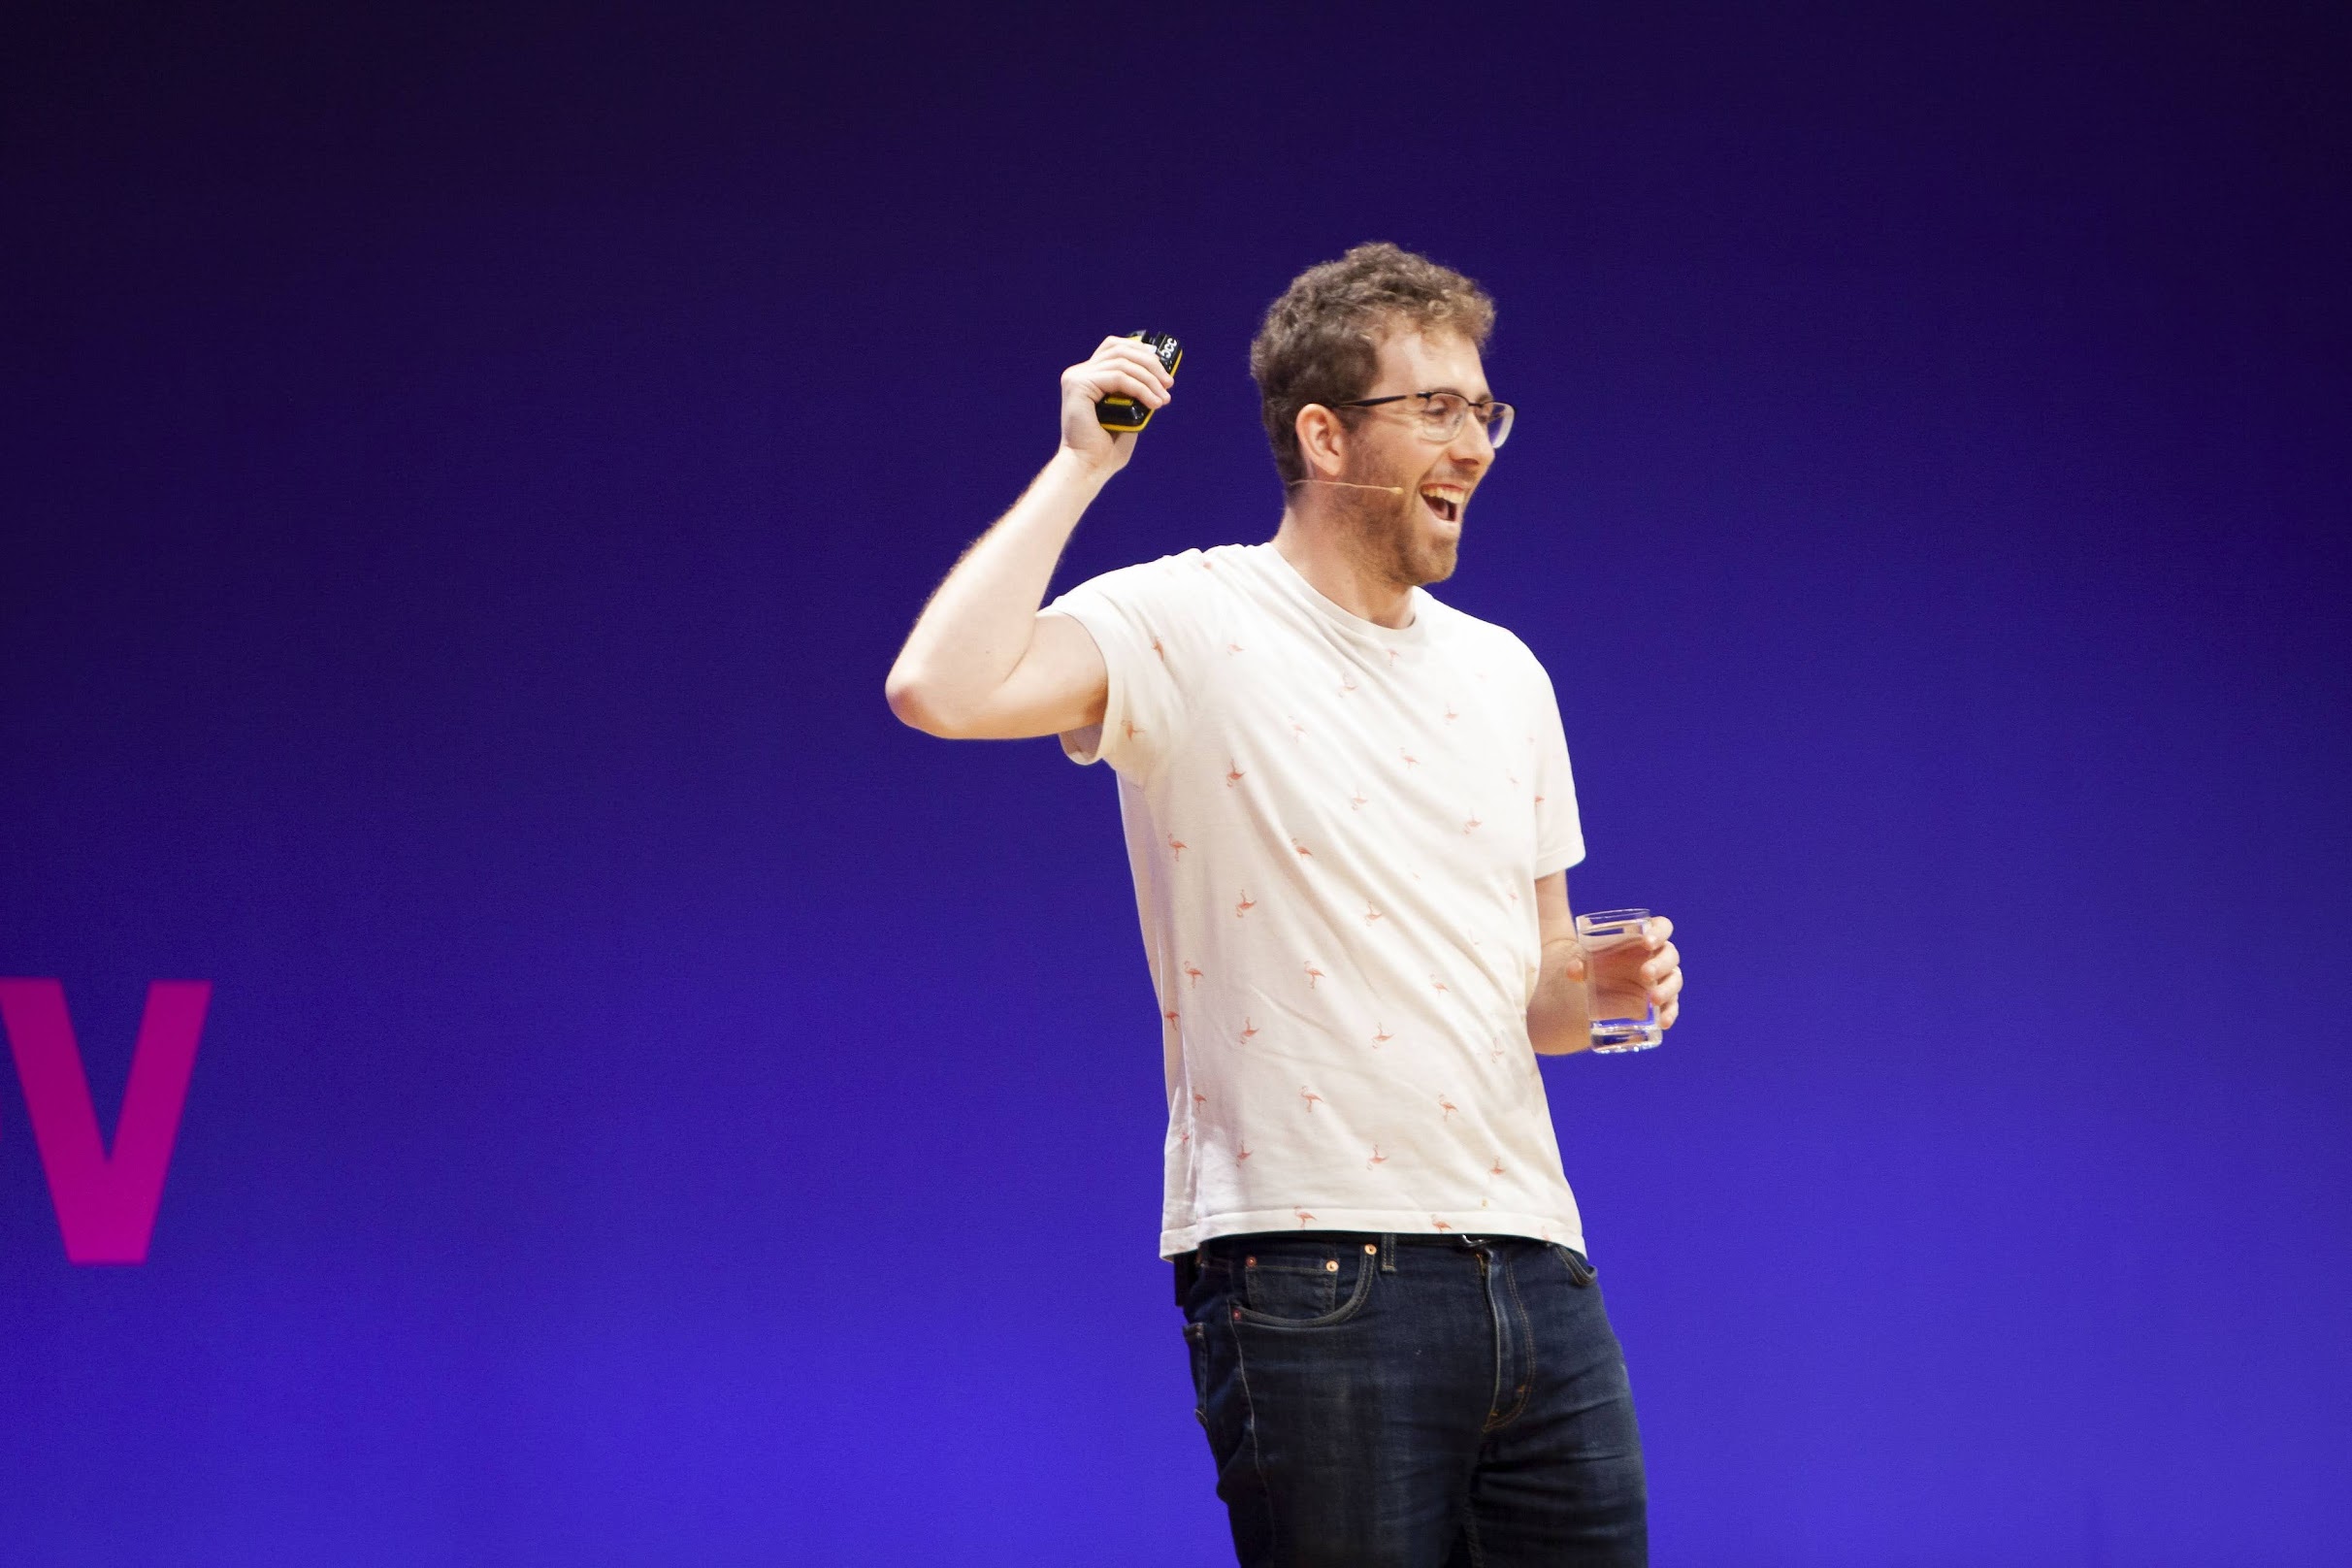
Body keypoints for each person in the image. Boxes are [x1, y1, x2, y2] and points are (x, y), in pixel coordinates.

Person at [885, 243, 1683, 1568]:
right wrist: (1085, 463)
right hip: (1318, 1267)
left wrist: (1598, 988)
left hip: (1538, 1263)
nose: (1474, 444)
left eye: (1483, 411)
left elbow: (1546, 998)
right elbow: (940, 688)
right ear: (1324, 434)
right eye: (1434, 407)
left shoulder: (1507, 674)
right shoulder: (1187, 621)